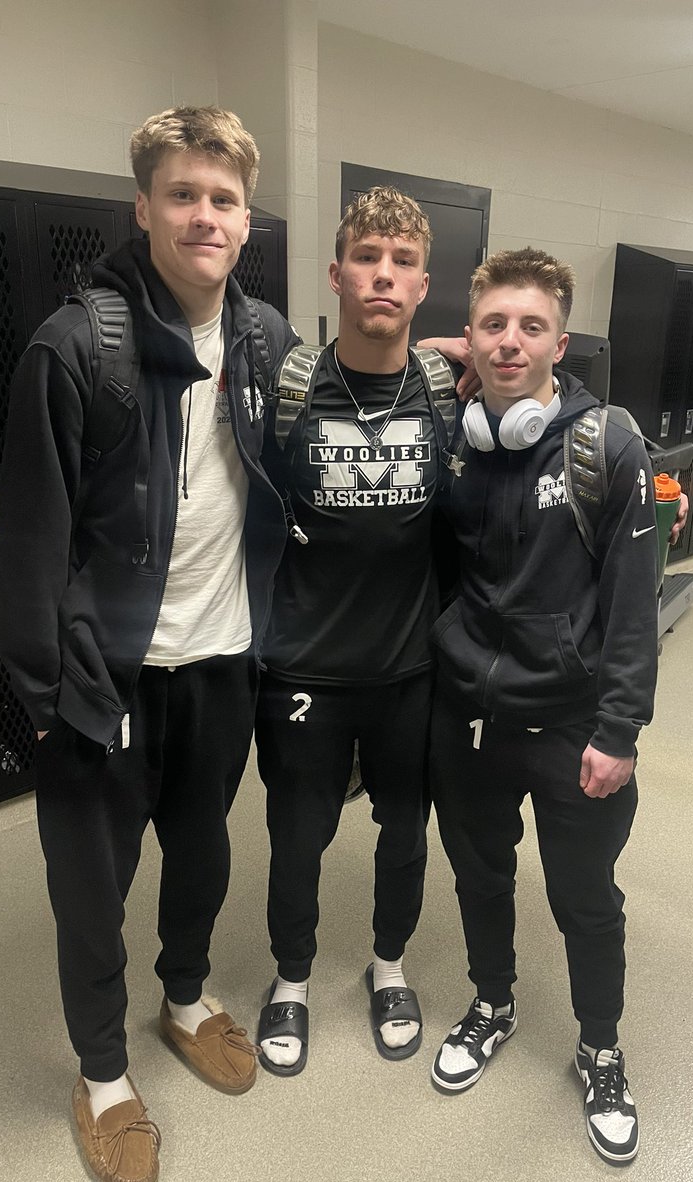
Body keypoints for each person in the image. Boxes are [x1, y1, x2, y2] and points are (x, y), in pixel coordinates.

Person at [0, 106, 299, 1182]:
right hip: (102, 682)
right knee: (93, 886)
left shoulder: (269, 341)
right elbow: (29, 542)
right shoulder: (75, 346)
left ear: (247, 217)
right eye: (183, 194)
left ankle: (184, 998)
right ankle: (103, 1074)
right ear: (142, 205)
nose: (204, 215)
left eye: (223, 199)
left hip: (222, 661)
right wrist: (44, 700)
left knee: (204, 847)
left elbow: (311, 468)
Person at [429, 247, 658, 1166]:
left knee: (584, 900)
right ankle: (493, 1004)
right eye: (493, 324)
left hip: (573, 729)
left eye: (531, 327)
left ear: (561, 343)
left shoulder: (607, 445)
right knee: (481, 880)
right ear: (471, 336)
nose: (510, 342)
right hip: (470, 718)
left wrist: (620, 730)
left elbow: (636, 600)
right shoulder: (455, 434)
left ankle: (599, 1047)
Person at [253, 187, 447, 1074]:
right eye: (368, 257)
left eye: (402, 262)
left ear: (422, 285)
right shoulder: (292, 389)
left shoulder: (445, 393)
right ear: (336, 275)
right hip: (304, 665)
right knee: (298, 835)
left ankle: (389, 965)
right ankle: (290, 980)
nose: (383, 275)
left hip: (410, 668)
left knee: (405, 833)